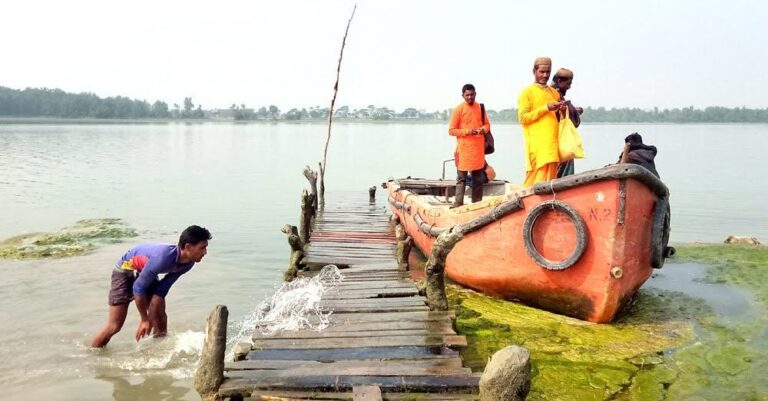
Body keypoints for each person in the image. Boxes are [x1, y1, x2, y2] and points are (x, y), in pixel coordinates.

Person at [91, 225, 211, 348]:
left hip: (145, 270)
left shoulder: (188, 263)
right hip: (125, 269)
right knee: (115, 326)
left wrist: (153, 314)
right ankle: (93, 353)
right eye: (202, 248)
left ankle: (159, 352)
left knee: (159, 314)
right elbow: (138, 288)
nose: (205, 252)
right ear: (188, 247)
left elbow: (161, 291)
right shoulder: (163, 257)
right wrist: (144, 319)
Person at [518, 57, 565, 187]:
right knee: (535, 179)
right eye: (542, 72)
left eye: (548, 72)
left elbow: (557, 119)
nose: (545, 75)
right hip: (537, 144)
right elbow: (523, 118)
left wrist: (562, 110)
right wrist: (546, 108)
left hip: (552, 143)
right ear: (534, 71)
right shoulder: (526, 93)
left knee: (550, 178)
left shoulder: (554, 93)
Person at [449, 83, 490, 207]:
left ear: (475, 94)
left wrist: (483, 129)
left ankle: (477, 205)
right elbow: (451, 130)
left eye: (472, 94)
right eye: (467, 95)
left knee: (478, 180)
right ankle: (458, 204)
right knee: (461, 179)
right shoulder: (459, 109)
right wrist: (467, 131)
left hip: (478, 151)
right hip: (463, 151)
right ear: (463, 96)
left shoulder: (481, 108)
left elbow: (487, 125)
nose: (470, 97)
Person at [551, 68, 585, 177]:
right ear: (559, 81)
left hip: (560, 142)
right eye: (568, 83)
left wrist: (573, 109)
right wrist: (574, 111)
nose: (569, 87)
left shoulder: (555, 94)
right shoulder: (554, 95)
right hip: (559, 143)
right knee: (559, 176)